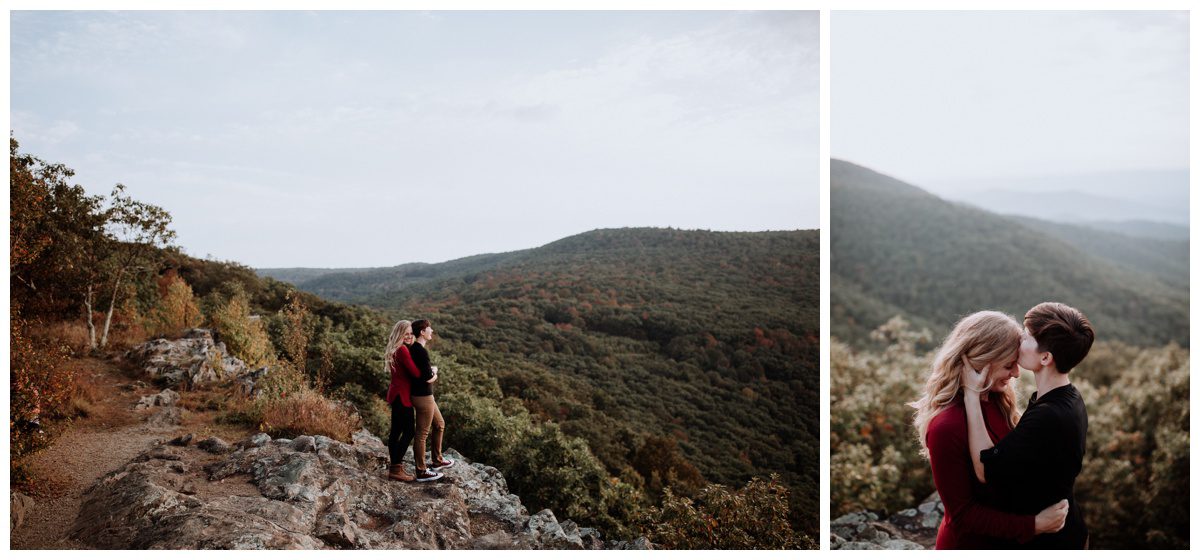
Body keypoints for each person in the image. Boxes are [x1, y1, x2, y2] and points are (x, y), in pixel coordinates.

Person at [911, 310, 1069, 549]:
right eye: (1008, 365)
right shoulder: (946, 426)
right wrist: (1034, 524)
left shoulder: (997, 401)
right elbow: (963, 515)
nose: (1016, 373)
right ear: (981, 363)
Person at [961, 302, 1094, 549]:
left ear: (1045, 357)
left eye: (1027, 336)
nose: (1019, 338)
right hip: (1071, 531)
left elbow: (985, 470)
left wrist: (971, 395)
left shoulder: (1049, 416)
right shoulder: (1069, 397)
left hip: (1052, 543)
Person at [409, 319, 452, 482]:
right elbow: (427, 377)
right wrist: (435, 373)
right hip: (422, 396)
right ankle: (421, 471)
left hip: (426, 396)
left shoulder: (416, 350)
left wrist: (429, 372)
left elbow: (421, 373)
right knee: (422, 434)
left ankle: (437, 461)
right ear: (422, 332)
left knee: (440, 424)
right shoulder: (419, 351)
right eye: (429, 328)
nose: (431, 331)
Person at [383, 319, 422, 482]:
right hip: (402, 396)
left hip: (395, 394)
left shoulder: (394, 349)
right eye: (406, 333)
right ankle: (396, 468)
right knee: (409, 431)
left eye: (411, 333)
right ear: (400, 333)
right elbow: (416, 373)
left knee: (395, 432)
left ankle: (395, 467)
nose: (409, 336)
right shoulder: (403, 351)